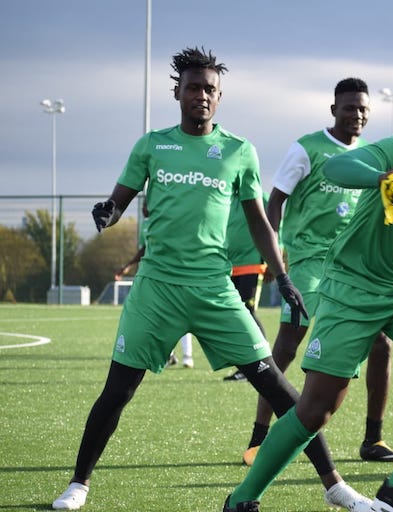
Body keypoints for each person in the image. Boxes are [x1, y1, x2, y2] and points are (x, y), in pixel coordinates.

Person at [51, 47, 371, 512]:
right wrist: (108, 211)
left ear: (219, 97)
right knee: (118, 390)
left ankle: (335, 487)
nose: (202, 95)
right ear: (177, 92)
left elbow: (260, 220)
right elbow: (118, 200)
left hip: (215, 290)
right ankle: (78, 483)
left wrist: (281, 276)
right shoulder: (151, 146)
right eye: (194, 87)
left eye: (210, 90)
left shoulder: (240, 151)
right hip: (156, 290)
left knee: (279, 388)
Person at [223, 97, 393, 512]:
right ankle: (242, 500)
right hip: (351, 287)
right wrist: (382, 177)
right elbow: (337, 167)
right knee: (316, 410)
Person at [251, 77, 393, 466]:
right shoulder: (307, 148)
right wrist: (275, 255)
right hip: (309, 261)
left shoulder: (372, 153)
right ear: (334, 110)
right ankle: (259, 437)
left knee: (380, 343)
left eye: (364, 109)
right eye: (350, 107)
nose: (358, 114)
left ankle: (374, 439)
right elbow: (275, 200)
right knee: (288, 342)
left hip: (355, 266)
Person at [114, 200, 194, 369]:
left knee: (181, 316)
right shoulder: (147, 225)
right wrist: (129, 265)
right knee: (158, 315)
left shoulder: (171, 219)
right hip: (155, 276)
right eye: (143, 205)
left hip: (176, 274)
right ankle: (168, 353)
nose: (144, 208)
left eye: (147, 204)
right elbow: (145, 248)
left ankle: (187, 356)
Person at [223, 190, 272, 383]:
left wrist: (273, 257)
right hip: (228, 265)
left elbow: (274, 224)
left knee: (247, 312)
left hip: (251, 264)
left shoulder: (259, 195)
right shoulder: (225, 194)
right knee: (234, 315)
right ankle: (245, 366)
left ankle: (263, 362)